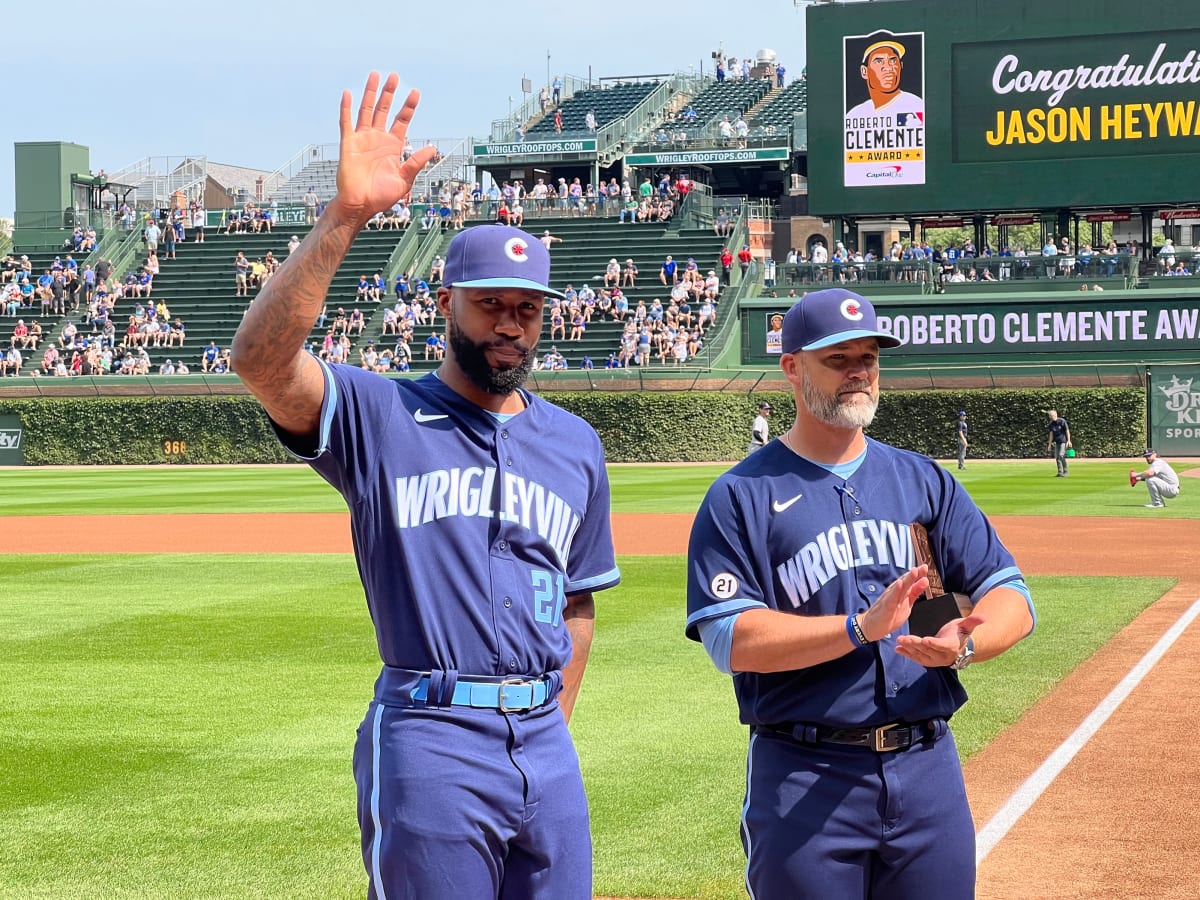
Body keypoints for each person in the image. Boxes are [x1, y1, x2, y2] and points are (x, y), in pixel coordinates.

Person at [229, 72, 620, 900]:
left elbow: (579, 603)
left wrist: (553, 721)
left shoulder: (575, 445)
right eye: (489, 305)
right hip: (430, 731)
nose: (510, 323)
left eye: (528, 308)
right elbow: (260, 363)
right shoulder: (380, 414)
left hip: (544, 741)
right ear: (445, 304)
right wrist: (345, 218)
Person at [685, 288, 1035, 900]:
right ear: (792, 367)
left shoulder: (923, 481)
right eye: (838, 358)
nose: (859, 373)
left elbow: (1011, 595)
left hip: (927, 769)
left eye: (868, 357)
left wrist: (964, 647)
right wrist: (856, 628)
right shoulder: (740, 495)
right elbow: (730, 639)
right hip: (804, 774)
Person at [1046, 409, 1072, 476]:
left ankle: (1065, 471)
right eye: (1051, 416)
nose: (1052, 417)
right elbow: (1051, 434)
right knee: (1057, 457)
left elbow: (1067, 431)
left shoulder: (1062, 421)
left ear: (1056, 415)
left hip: (1063, 441)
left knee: (1061, 455)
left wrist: (1069, 441)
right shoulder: (1051, 424)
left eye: (1053, 415)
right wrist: (1049, 444)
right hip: (1057, 442)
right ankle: (1060, 472)